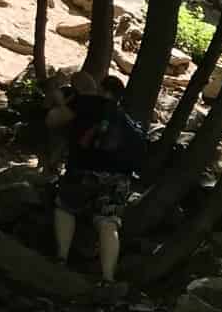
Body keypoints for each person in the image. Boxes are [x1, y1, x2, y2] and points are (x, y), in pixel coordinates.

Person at [44, 71, 146, 286]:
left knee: (66, 207)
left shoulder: (87, 103)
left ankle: (61, 258)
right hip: (119, 179)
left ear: (100, 89)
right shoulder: (126, 119)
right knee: (108, 223)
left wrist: (61, 103)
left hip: (83, 170)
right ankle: (108, 278)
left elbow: (52, 121)